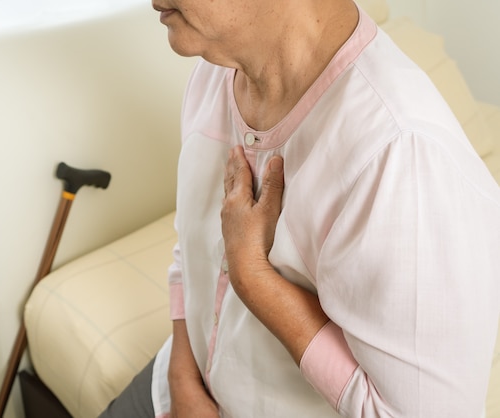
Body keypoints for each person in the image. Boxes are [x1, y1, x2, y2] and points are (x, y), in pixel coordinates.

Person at [98, 0, 500, 416]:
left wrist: (256, 281)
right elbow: (191, 252)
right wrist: (182, 382)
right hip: (177, 382)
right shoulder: (214, 69)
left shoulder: (402, 159)